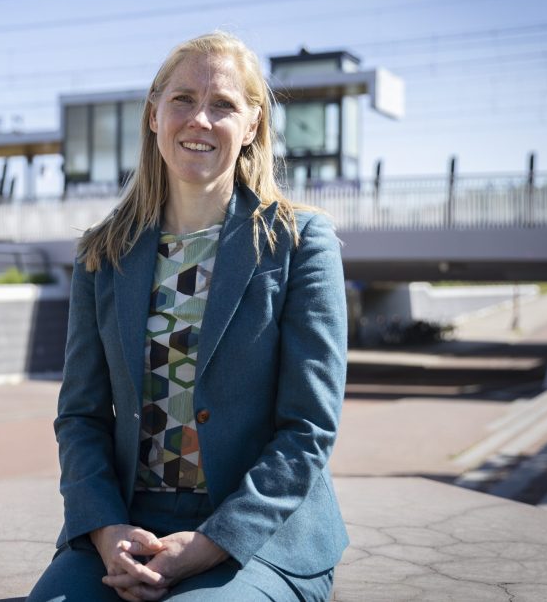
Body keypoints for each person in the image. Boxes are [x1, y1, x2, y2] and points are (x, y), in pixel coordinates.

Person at [28, 31, 348, 601]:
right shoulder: (103, 253)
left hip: (257, 532)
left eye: (223, 104)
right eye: (182, 99)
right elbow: (80, 416)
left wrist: (208, 544)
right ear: (154, 115)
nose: (199, 119)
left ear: (251, 126)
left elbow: (308, 429)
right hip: (123, 523)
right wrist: (106, 532)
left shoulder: (299, 243)